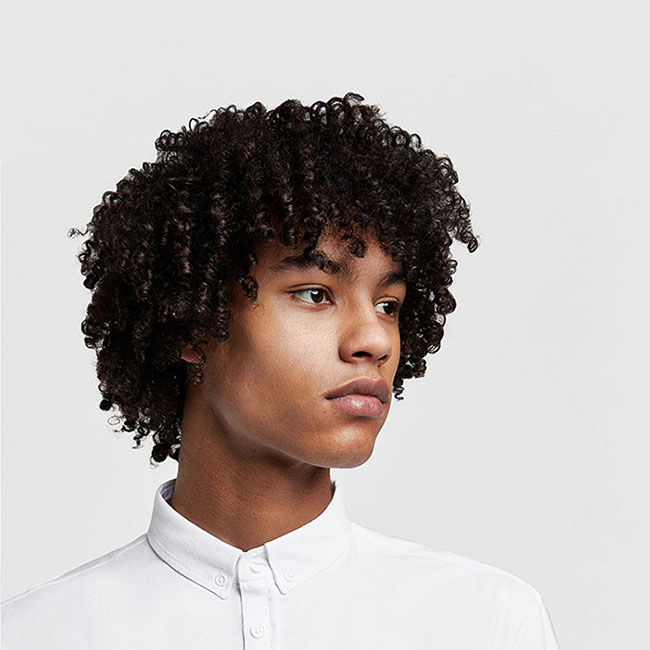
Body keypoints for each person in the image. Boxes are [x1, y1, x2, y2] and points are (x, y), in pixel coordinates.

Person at [1, 92, 561, 649]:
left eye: (388, 304)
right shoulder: (37, 634)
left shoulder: (486, 622)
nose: (373, 340)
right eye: (316, 294)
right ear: (193, 322)